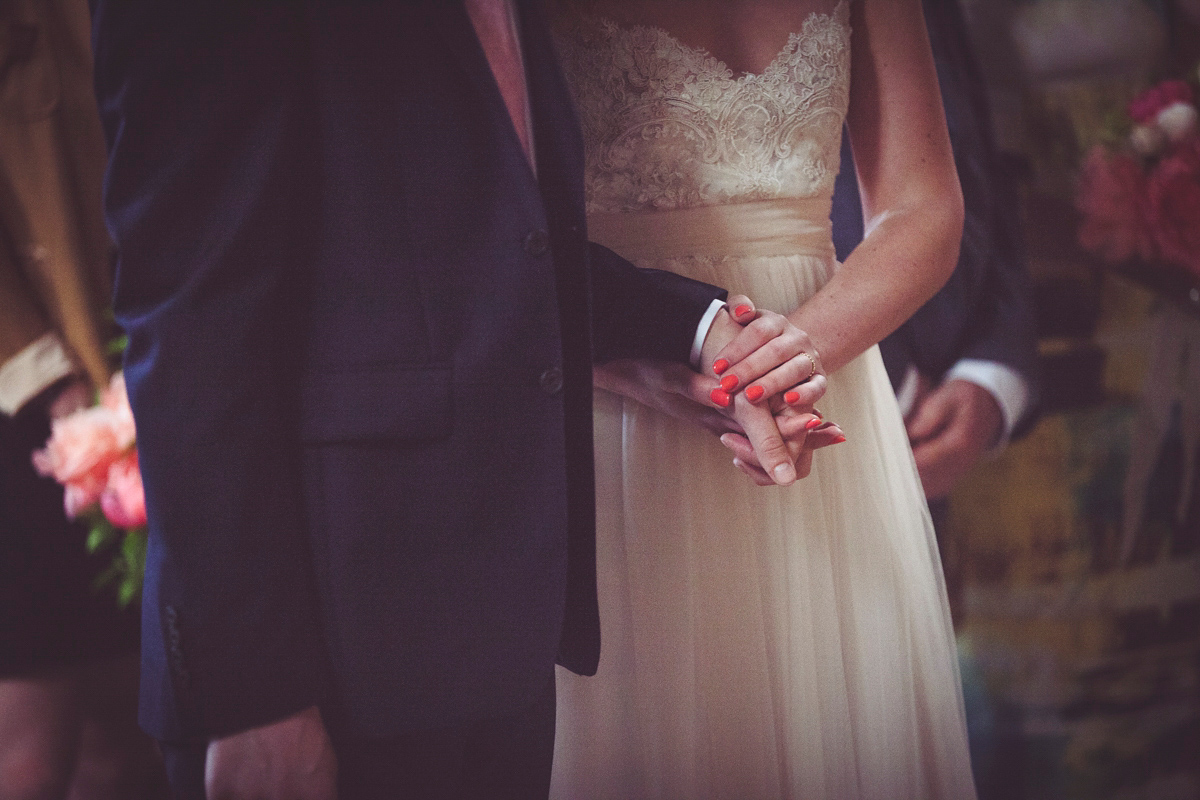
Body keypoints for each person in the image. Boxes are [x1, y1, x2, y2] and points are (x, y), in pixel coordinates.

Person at [88, 1, 840, 797]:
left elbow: (493, 247)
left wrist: (698, 327)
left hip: (494, 640)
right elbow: (195, 319)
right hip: (337, 645)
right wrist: (253, 701)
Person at [547, 1, 978, 797]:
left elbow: (926, 207)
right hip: (622, 398)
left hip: (821, 383)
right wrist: (670, 360)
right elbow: (477, 225)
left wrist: (792, 359)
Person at [0, 1, 163, 797]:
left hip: (145, 379)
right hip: (26, 397)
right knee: (28, 751)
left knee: (130, 738)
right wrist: (55, 388)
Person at [831, 0, 1040, 619]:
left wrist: (993, 370)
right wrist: (884, 377)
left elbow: (973, 159)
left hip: (935, 429)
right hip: (796, 412)